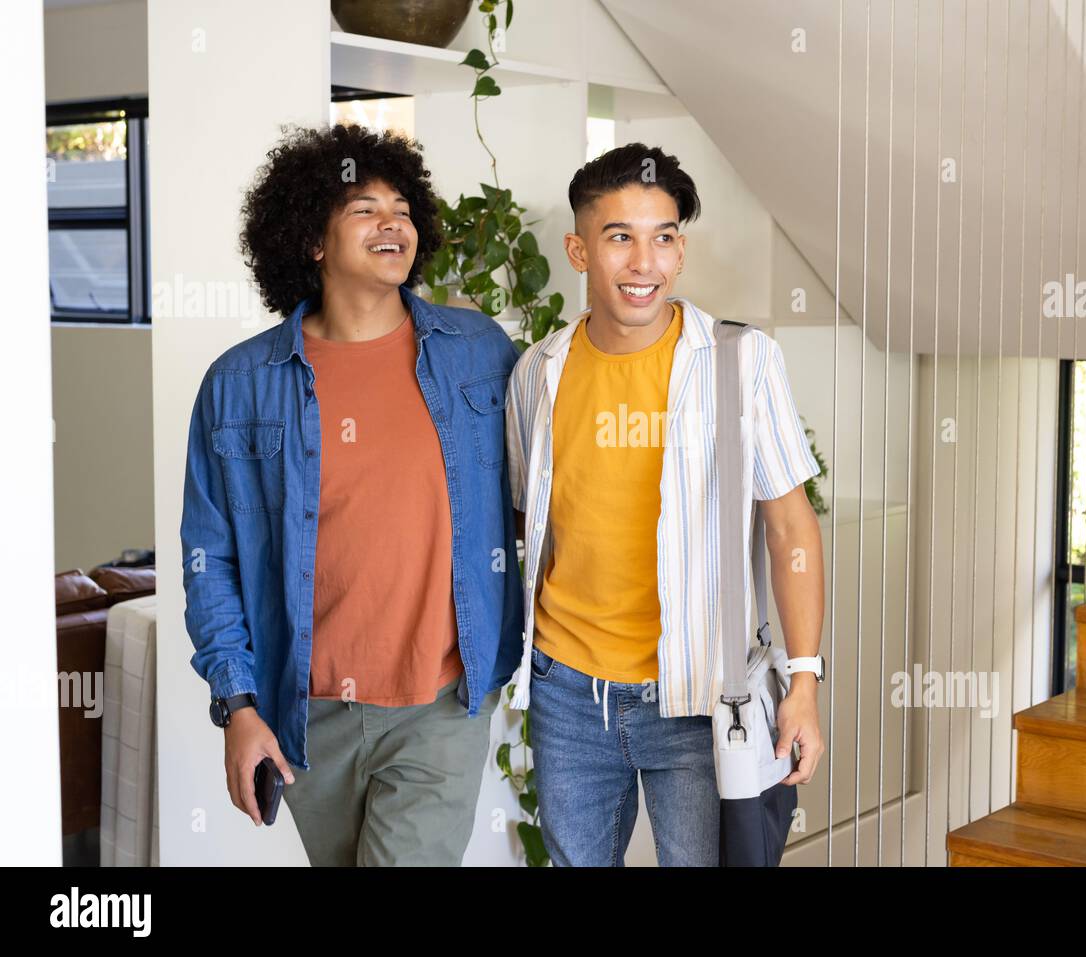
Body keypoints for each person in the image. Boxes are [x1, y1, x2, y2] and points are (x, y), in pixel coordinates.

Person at [180, 123, 523, 866]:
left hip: (439, 704)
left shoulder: (479, 352)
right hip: (308, 713)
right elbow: (211, 559)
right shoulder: (239, 385)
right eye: (365, 208)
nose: (392, 222)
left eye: (402, 207)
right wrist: (238, 706)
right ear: (311, 240)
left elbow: (554, 478)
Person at [505, 142, 827, 866]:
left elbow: (790, 526)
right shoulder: (538, 373)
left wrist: (803, 680)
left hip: (700, 693)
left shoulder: (742, 362)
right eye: (620, 237)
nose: (643, 262)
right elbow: (532, 517)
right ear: (579, 249)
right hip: (568, 693)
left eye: (664, 237)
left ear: (680, 251)